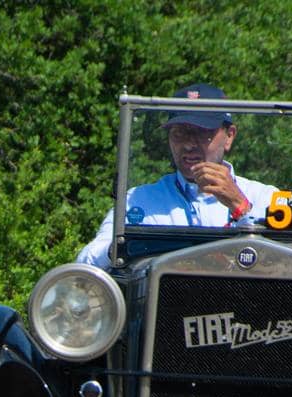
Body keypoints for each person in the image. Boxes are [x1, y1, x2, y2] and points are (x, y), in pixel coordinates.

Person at [78, 84, 277, 269]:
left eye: (202, 132)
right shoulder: (138, 200)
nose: (189, 144)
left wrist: (241, 208)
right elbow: (86, 264)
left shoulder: (266, 198)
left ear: (229, 136)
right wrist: (126, 246)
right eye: (179, 133)